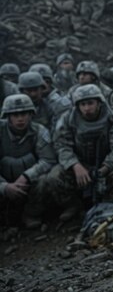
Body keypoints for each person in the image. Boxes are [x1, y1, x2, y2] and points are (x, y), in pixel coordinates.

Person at [48, 84, 113, 221]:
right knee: (54, 177)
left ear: (99, 103)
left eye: (90, 103)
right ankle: (73, 206)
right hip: (79, 164)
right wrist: (75, 165)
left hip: (106, 164)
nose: (87, 108)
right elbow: (61, 145)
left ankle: (109, 205)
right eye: (82, 104)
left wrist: (105, 168)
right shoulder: (68, 119)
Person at [0, 94, 56, 228]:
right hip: (3, 179)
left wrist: (26, 176)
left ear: (31, 114)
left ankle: (31, 213)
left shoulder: (39, 131)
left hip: (29, 181)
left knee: (46, 179)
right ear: (7, 116)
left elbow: (48, 160)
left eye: (24, 114)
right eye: (15, 115)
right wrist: (4, 186)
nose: (20, 119)